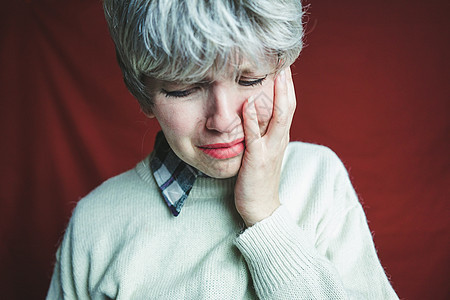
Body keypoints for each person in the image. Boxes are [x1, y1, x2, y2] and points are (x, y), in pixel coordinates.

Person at [47, 0, 399, 299]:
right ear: (145, 94)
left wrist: (265, 215)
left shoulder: (320, 178)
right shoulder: (95, 225)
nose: (223, 119)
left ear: (283, 72)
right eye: (184, 88)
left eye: (250, 79)